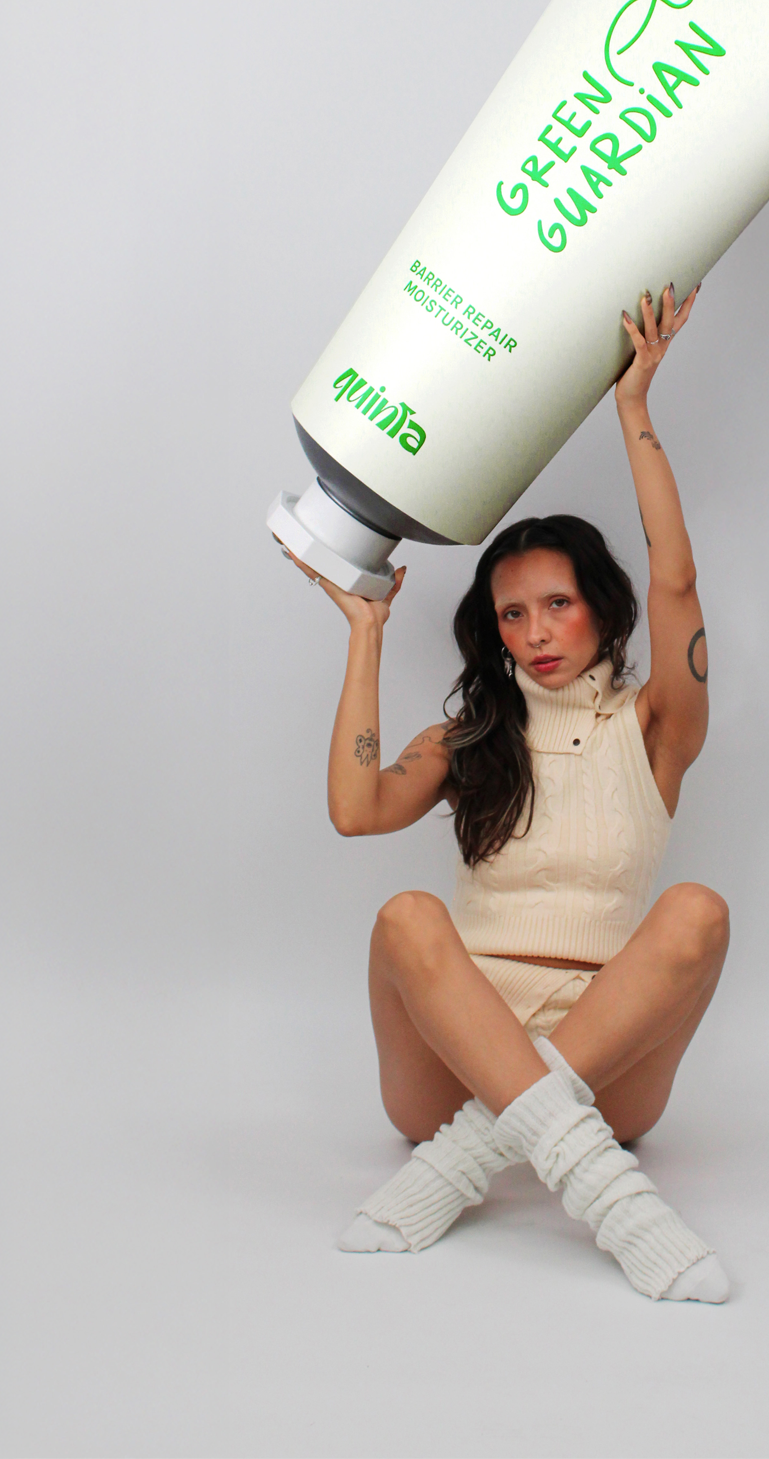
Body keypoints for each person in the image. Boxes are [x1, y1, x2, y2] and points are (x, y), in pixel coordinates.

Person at [284, 284, 731, 1303]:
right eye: (512, 614)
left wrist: (635, 413)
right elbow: (355, 810)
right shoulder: (470, 737)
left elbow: (678, 585)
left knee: (699, 912)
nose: (533, 632)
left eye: (557, 606)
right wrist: (367, 634)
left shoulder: (657, 728)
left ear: (599, 611)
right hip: (457, 1047)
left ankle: (464, 1164)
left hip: (604, 1060)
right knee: (405, 917)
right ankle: (614, 1204)